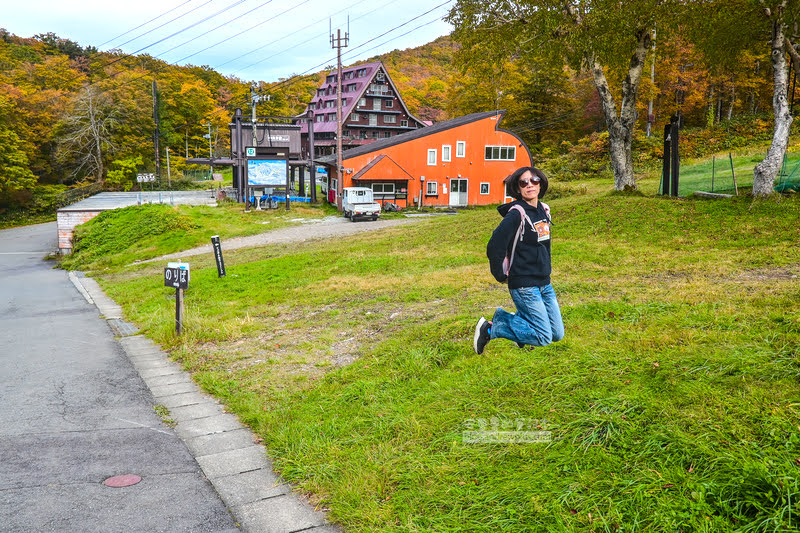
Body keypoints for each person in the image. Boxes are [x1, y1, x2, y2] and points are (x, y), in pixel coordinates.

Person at [473, 166, 565, 354]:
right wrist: (500, 274)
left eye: (534, 180)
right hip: (524, 284)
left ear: (541, 184)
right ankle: (490, 328)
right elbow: (494, 245)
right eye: (524, 182)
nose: (530, 185)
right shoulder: (517, 213)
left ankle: (521, 328)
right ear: (518, 188)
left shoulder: (544, 210)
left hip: (544, 283)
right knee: (543, 336)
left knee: (557, 334)